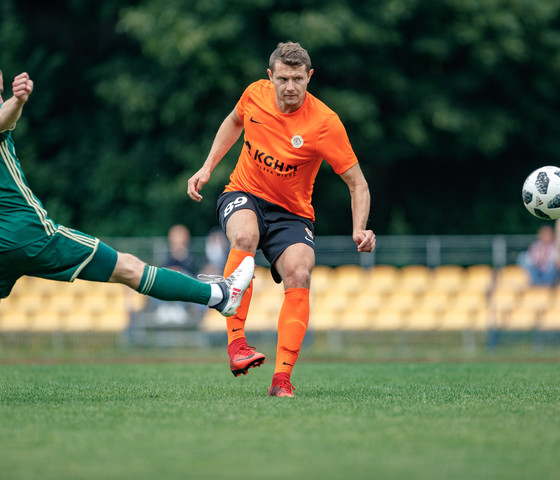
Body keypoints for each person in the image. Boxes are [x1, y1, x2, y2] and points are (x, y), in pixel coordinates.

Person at [188, 42, 375, 397]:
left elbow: (358, 184)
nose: (291, 87)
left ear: (310, 78)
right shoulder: (253, 96)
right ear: (270, 76)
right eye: (284, 78)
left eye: (299, 79)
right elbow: (233, 122)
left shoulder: (325, 123)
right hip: (243, 192)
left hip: (292, 213)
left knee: (301, 270)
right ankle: (237, 345)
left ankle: (282, 379)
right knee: (244, 236)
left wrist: (359, 228)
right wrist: (207, 167)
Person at [0, 70, 254, 320]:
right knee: (128, 268)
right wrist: (18, 100)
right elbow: (4, 120)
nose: (2, 98)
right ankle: (219, 295)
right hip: (25, 233)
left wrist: (14, 101)